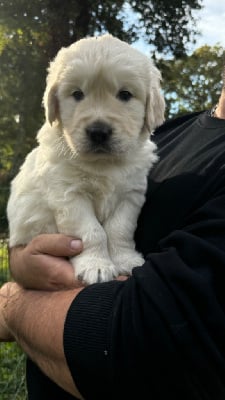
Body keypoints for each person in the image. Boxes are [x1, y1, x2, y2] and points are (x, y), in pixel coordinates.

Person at [1, 63, 225, 400]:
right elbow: (49, 197)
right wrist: (21, 259)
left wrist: (13, 306)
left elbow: (143, 349)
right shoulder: (162, 132)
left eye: (124, 95)